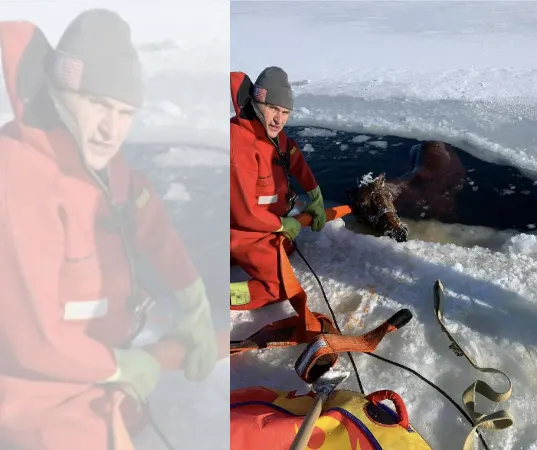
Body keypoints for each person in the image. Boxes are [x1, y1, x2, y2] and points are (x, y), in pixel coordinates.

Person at [0, 9, 218, 448]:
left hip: (100, 376)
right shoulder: (19, 180)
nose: (110, 129)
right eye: (98, 104)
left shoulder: (102, 168)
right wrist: (122, 367)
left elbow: (152, 226)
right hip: (39, 409)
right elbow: (35, 343)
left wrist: (194, 300)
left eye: (124, 112)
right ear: (60, 93)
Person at [230, 66, 327, 310]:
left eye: (285, 112)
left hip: (267, 224)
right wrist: (282, 224)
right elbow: (244, 214)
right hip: (242, 230)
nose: (279, 119)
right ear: (255, 102)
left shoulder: (274, 136)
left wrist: (315, 194)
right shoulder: (239, 145)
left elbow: (294, 158)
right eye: (273, 108)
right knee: (279, 286)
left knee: (289, 249)